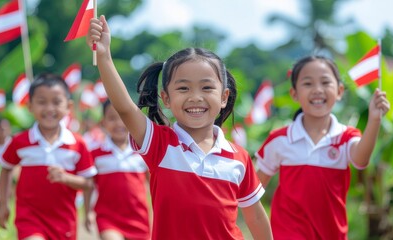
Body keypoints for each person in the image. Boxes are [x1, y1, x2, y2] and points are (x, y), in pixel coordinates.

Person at [87, 15, 273, 240]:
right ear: (165, 98)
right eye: (183, 89)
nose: (195, 97)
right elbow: (125, 108)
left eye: (206, 88)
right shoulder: (159, 144)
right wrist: (104, 55)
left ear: (224, 97)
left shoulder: (239, 157)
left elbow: (254, 217)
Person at [255, 56, 390, 239]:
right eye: (308, 83)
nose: (318, 90)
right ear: (294, 94)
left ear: (340, 91)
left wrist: (374, 119)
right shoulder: (279, 139)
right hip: (287, 233)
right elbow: (253, 189)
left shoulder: (346, 137)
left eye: (325, 82)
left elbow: (361, 160)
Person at [0, 73, 97, 240]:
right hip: (29, 219)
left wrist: (66, 179)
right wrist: (3, 204)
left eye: (57, 102)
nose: (50, 108)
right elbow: (6, 169)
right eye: (42, 102)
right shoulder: (19, 142)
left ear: (68, 107)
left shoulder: (77, 144)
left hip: (64, 224)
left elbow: (88, 183)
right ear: (30, 106)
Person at [88, 100, 150, 240]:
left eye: (123, 118)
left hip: (139, 219)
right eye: (112, 118)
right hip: (108, 219)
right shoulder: (95, 154)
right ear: (103, 123)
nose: (119, 123)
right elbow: (89, 186)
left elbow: (154, 186)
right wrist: (88, 212)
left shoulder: (143, 153)